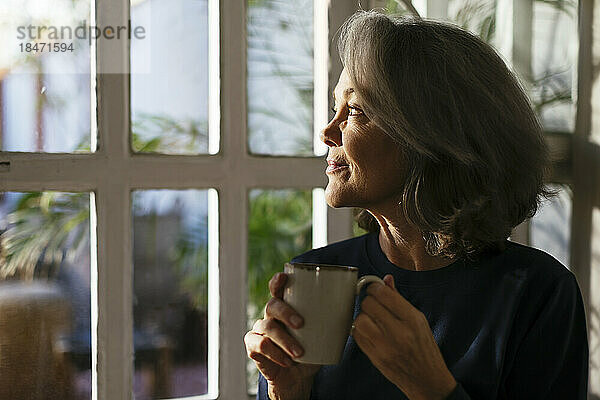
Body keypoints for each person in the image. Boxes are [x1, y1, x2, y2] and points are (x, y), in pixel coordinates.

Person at [244, 10, 589, 400]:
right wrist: (286, 389)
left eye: (355, 111)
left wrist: (430, 386)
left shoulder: (537, 294)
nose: (327, 132)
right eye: (335, 108)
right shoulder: (318, 278)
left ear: (431, 136)